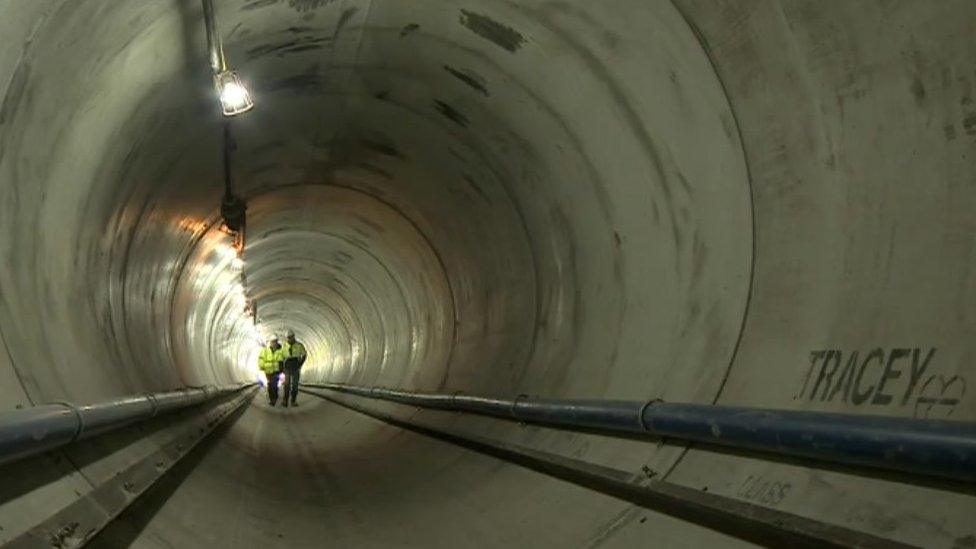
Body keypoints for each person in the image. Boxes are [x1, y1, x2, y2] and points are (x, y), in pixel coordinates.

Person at [281, 330, 307, 407]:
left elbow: (304, 354)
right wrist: (282, 367)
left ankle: (293, 401)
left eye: (291, 337)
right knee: (287, 384)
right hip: (287, 366)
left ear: (293, 336)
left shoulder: (299, 345)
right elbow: (281, 357)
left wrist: (300, 364)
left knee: (295, 385)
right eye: (288, 338)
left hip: (295, 365)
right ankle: (285, 401)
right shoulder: (284, 346)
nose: (290, 339)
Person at [258, 336, 284, 406]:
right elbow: (261, 358)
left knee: (274, 384)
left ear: (277, 342)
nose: (273, 343)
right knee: (270, 385)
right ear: (270, 342)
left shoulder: (280, 350)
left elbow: (283, 358)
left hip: (276, 370)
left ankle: (273, 399)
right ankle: (272, 397)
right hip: (268, 371)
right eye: (272, 342)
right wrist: (261, 366)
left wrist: (283, 368)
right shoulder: (265, 350)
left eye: (275, 341)